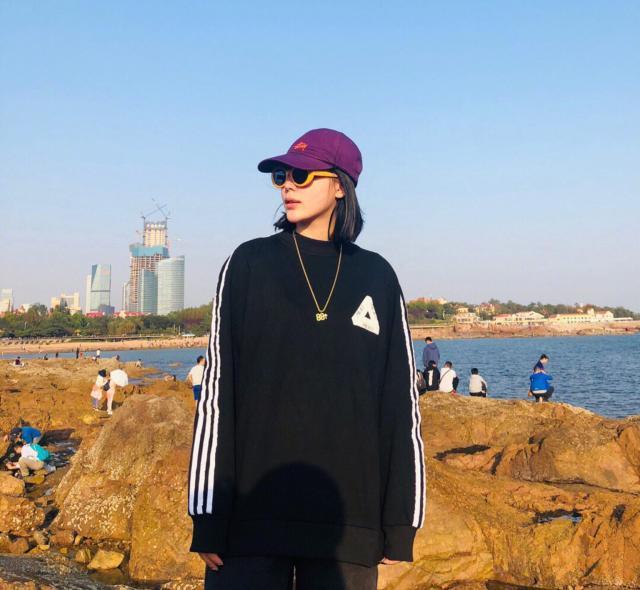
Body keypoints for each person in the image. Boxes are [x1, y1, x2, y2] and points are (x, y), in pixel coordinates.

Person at [188, 129, 425, 590]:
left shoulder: (377, 275)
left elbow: (400, 404)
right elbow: (217, 397)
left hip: (348, 528)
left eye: (301, 175)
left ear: (340, 185)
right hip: (250, 525)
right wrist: (207, 515)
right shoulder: (247, 264)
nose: (287, 186)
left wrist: (400, 522)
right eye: (281, 176)